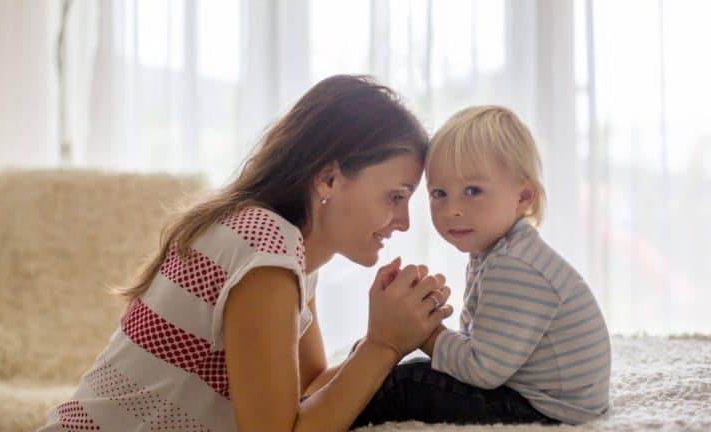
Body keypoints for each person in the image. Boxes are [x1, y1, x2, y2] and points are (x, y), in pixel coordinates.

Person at [37, 75, 455, 432]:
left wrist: (395, 337)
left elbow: (307, 386)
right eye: (395, 196)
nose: (403, 222)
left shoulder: (291, 253)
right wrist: (382, 344)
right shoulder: (265, 246)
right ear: (329, 178)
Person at [352, 105, 611, 428]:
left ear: (523, 197)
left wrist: (423, 331)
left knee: (409, 382)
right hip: (540, 394)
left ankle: (339, 414)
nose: (453, 209)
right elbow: (480, 340)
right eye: (439, 193)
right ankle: (347, 387)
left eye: (472, 191)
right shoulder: (498, 252)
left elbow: (482, 370)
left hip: (546, 408)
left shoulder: (514, 265)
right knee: (403, 370)